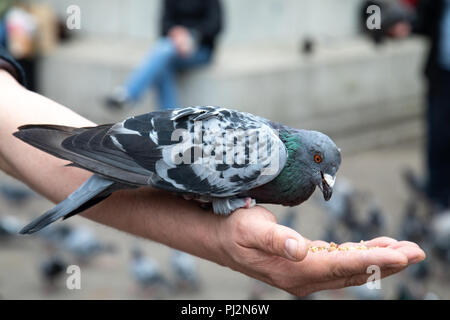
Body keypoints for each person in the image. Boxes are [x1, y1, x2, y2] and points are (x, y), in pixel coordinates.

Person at [0, 49, 425, 297]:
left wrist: (223, 233)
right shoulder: (266, 153)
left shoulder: (276, 151)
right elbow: (166, 173)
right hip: (143, 155)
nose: (323, 180)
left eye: (327, 172)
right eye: (319, 166)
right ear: (307, 153)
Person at [378, 0, 450, 210]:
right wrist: (405, 25)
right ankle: (437, 196)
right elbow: (428, 19)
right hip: (442, 74)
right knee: (438, 136)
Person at [106, 0, 223, 111]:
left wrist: (191, 36)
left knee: (163, 53)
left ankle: (128, 94)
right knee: (163, 60)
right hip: (172, 48)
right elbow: (164, 26)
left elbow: (215, 25)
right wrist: (177, 35)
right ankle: (171, 120)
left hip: (200, 51)